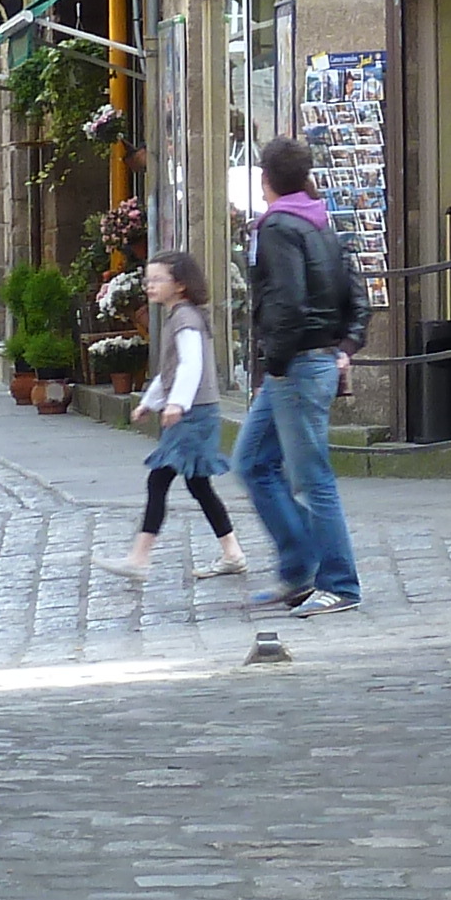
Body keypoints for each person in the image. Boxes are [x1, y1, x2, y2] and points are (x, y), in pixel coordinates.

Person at [237, 135, 370, 618]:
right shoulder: (320, 222)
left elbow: (287, 302)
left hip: (293, 364)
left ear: (265, 179)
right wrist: (345, 346)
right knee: (251, 461)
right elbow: (357, 298)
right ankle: (299, 568)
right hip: (306, 360)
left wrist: (274, 361)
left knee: (312, 479)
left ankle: (339, 581)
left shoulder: (277, 228)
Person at [108, 251, 245, 583]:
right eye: (148, 279)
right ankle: (232, 553)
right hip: (193, 412)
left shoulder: (185, 319)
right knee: (199, 485)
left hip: (194, 415)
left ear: (180, 285)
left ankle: (139, 558)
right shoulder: (180, 317)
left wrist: (177, 404)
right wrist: (152, 402)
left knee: (159, 480)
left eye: (157, 280)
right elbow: (169, 370)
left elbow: (190, 365)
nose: (149, 285)